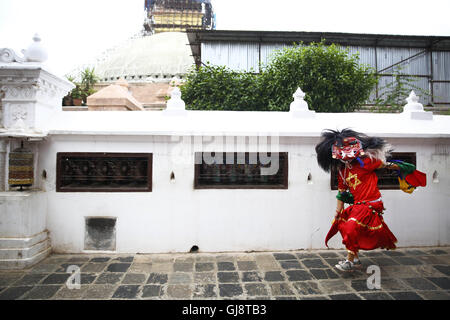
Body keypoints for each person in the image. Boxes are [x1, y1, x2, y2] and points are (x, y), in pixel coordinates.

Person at [315, 129, 426, 272]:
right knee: (342, 225)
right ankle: (355, 259)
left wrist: (403, 168)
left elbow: (384, 164)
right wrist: (338, 211)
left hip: (371, 203)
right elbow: (341, 193)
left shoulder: (366, 162)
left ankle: (349, 261)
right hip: (358, 204)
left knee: (350, 227)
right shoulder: (342, 172)